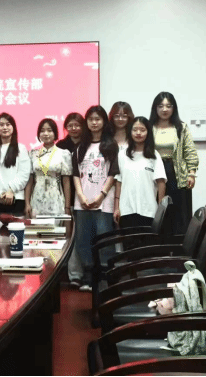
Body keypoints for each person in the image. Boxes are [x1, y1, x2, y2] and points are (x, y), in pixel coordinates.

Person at [71, 106, 119, 291]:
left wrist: (102, 195)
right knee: (83, 240)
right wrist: (81, 195)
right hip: (82, 202)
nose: (94, 122)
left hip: (103, 203)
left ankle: (105, 279)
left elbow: (113, 173)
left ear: (104, 122)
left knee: (104, 241)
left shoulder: (111, 145)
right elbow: (76, 174)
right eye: (91, 119)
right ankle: (88, 277)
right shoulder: (80, 147)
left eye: (98, 119)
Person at [150, 92, 199, 234]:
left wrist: (191, 174)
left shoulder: (181, 127)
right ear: (155, 108)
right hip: (155, 174)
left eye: (168, 106)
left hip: (176, 173)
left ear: (174, 108)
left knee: (179, 214)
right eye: (160, 106)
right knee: (160, 211)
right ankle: (160, 244)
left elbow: (190, 151)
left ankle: (180, 245)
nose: (164, 109)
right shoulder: (149, 127)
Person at [114, 117, 167, 229]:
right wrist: (116, 207)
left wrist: (160, 210)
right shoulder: (122, 155)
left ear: (148, 133)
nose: (138, 133)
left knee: (146, 241)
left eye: (142, 130)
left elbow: (161, 182)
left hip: (149, 211)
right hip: (126, 210)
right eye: (135, 130)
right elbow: (118, 182)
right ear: (130, 132)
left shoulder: (154, 155)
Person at [56, 112, 86, 288]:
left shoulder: (89, 144)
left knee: (80, 237)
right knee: (64, 236)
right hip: (64, 197)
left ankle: (78, 275)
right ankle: (64, 274)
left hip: (86, 197)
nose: (74, 128)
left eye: (77, 125)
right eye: (70, 125)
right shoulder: (61, 146)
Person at [0, 113, 30, 214]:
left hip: (16, 199)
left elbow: (24, 174)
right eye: (1, 125)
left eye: (8, 124)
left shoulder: (21, 148)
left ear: (13, 128)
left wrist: (11, 190)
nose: (5, 127)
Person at [24, 118, 72, 218]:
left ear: (55, 133)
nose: (46, 134)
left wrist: (67, 207)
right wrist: (27, 203)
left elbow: (66, 182)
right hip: (37, 199)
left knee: (55, 227)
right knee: (37, 227)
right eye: (42, 131)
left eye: (49, 130)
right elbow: (30, 180)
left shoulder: (63, 153)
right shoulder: (33, 153)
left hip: (56, 198)